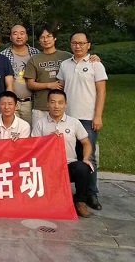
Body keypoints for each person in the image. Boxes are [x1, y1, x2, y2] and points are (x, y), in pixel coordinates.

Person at [57, 32, 108, 211]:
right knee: (70, 157)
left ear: (88, 45)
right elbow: (60, 89)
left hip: (88, 118)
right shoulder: (65, 65)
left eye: (81, 43)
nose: (77, 46)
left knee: (89, 156)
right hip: (68, 118)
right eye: (74, 43)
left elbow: (101, 92)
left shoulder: (96, 64)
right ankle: (75, 194)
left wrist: (98, 115)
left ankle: (91, 194)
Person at [32, 89, 94, 218]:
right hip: (47, 166)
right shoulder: (40, 123)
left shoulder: (74, 123)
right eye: (53, 102)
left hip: (68, 164)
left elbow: (86, 143)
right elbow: (34, 148)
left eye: (60, 103)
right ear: (47, 103)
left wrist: (86, 158)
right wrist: (48, 140)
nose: (56, 106)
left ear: (66, 104)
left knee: (83, 168)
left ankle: (80, 202)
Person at [0, 25, 40, 126]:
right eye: (15, 33)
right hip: (11, 103)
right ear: (10, 37)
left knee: (30, 131)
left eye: (22, 33)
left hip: (31, 102)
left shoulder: (36, 53)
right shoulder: (3, 55)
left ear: (26, 37)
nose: (19, 36)